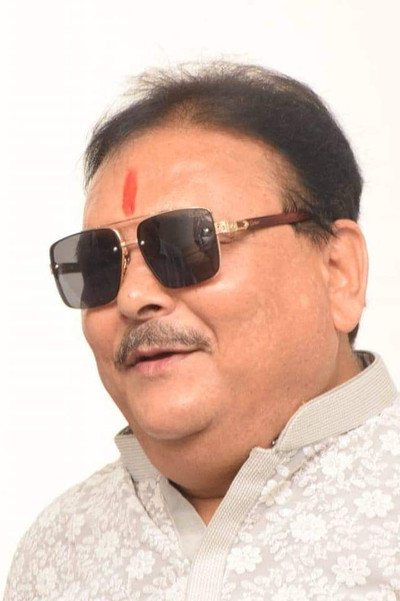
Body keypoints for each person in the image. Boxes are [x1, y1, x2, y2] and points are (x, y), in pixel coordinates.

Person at [5, 63, 399, 601]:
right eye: (99, 263)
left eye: (186, 244)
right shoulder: (56, 554)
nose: (132, 297)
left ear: (338, 272)